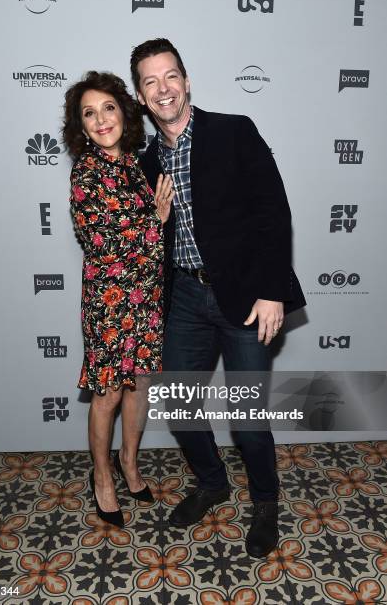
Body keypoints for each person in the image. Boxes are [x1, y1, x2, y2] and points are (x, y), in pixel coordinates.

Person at [130, 39, 306, 557]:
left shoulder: (234, 131)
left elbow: (274, 212)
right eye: (150, 81)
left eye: (171, 76)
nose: (163, 89)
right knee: (180, 408)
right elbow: (144, 241)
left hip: (246, 296)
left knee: (247, 418)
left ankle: (266, 501)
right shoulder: (145, 163)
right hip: (183, 295)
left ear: (187, 81)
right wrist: (153, 224)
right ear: (141, 96)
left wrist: (273, 290)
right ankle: (212, 483)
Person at [63, 71, 174, 528]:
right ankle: (102, 476)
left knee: (140, 384)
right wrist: (157, 219)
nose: (100, 119)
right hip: (109, 301)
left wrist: (153, 225)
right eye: (89, 113)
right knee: (108, 393)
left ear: (123, 113)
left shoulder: (133, 162)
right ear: (81, 126)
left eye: (107, 107)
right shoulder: (85, 173)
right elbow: (105, 247)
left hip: (146, 295)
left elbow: (138, 243)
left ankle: (130, 462)